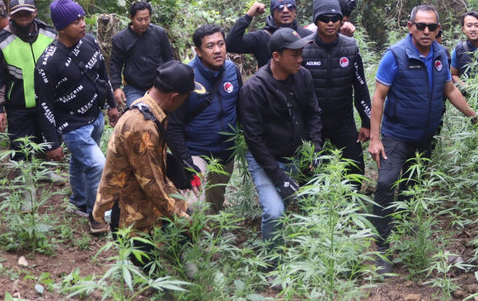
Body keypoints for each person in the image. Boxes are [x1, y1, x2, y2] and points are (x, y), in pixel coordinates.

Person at [368, 5, 478, 274]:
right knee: (387, 182)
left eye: (432, 27)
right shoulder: (396, 55)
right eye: (420, 26)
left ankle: (407, 232)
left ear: (438, 30)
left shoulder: (439, 54)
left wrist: (475, 118)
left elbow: (449, 89)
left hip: (426, 135)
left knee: (413, 184)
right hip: (396, 134)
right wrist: (375, 138)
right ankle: (383, 248)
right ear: (410, 26)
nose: (426, 31)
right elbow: (378, 97)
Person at [92, 61, 195, 272]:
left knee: (189, 215)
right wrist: (183, 219)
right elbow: (152, 184)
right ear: (173, 97)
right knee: (155, 274)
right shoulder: (142, 128)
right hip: (130, 215)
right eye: (184, 100)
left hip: (147, 203)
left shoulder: (146, 105)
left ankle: (184, 264)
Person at [35, 0, 120, 234]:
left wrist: (111, 105)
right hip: (72, 124)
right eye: (76, 21)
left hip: (95, 116)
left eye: (82, 18)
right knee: (98, 165)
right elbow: (44, 104)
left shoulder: (89, 42)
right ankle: (97, 216)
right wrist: (52, 142)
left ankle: (78, 201)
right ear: (62, 28)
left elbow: (102, 74)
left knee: (81, 161)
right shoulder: (48, 62)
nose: (83, 23)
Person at [238, 28, 323, 250]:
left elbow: (313, 112)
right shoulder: (254, 88)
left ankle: (285, 246)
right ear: (276, 56)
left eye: (301, 53)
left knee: (289, 205)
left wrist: (315, 146)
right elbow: (254, 139)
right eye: (294, 54)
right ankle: (273, 262)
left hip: (294, 155)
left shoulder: (303, 76)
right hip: (266, 160)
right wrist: (278, 177)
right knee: (275, 212)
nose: (300, 59)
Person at [164, 24, 242, 214]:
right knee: (194, 204)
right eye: (210, 46)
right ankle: (190, 240)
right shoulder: (186, 77)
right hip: (196, 153)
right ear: (198, 51)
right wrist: (186, 162)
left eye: (221, 44)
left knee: (215, 204)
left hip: (226, 153)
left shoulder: (232, 70)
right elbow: (172, 125)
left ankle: (211, 241)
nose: (217, 50)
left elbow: (241, 107)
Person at [301, 0, 371, 185]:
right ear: (316, 20)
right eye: (324, 19)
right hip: (313, 123)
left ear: (342, 20)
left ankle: (352, 210)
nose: (330, 23)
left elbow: (361, 87)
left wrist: (367, 122)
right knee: (307, 173)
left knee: (355, 172)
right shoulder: (304, 49)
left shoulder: (351, 47)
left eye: (335, 19)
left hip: (343, 121)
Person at [0, 0, 62, 181]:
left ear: (35, 12)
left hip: (47, 102)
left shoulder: (50, 34)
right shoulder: (0, 41)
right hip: (18, 104)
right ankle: (25, 185)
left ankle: (45, 172)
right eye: (18, 13)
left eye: (27, 12)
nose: (23, 16)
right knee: (20, 146)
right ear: (11, 15)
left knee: (46, 140)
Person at [110, 1, 174, 110]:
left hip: (159, 85)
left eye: (147, 19)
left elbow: (169, 59)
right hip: (134, 88)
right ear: (131, 18)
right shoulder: (121, 39)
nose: (143, 23)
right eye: (139, 19)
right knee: (137, 115)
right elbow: (115, 65)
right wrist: (116, 87)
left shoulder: (159, 33)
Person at [226, 0, 313, 68]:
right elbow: (231, 45)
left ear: (295, 12)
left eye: (290, 7)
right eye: (280, 7)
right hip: (269, 86)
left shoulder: (307, 36)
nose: (285, 10)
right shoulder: (261, 38)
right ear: (272, 13)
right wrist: (248, 16)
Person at [450, 11, 478, 85]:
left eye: (477, 25)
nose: (473, 29)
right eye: (469, 25)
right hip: (468, 93)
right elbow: (454, 75)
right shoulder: (458, 49)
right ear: (463, 29)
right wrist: (465, 86)